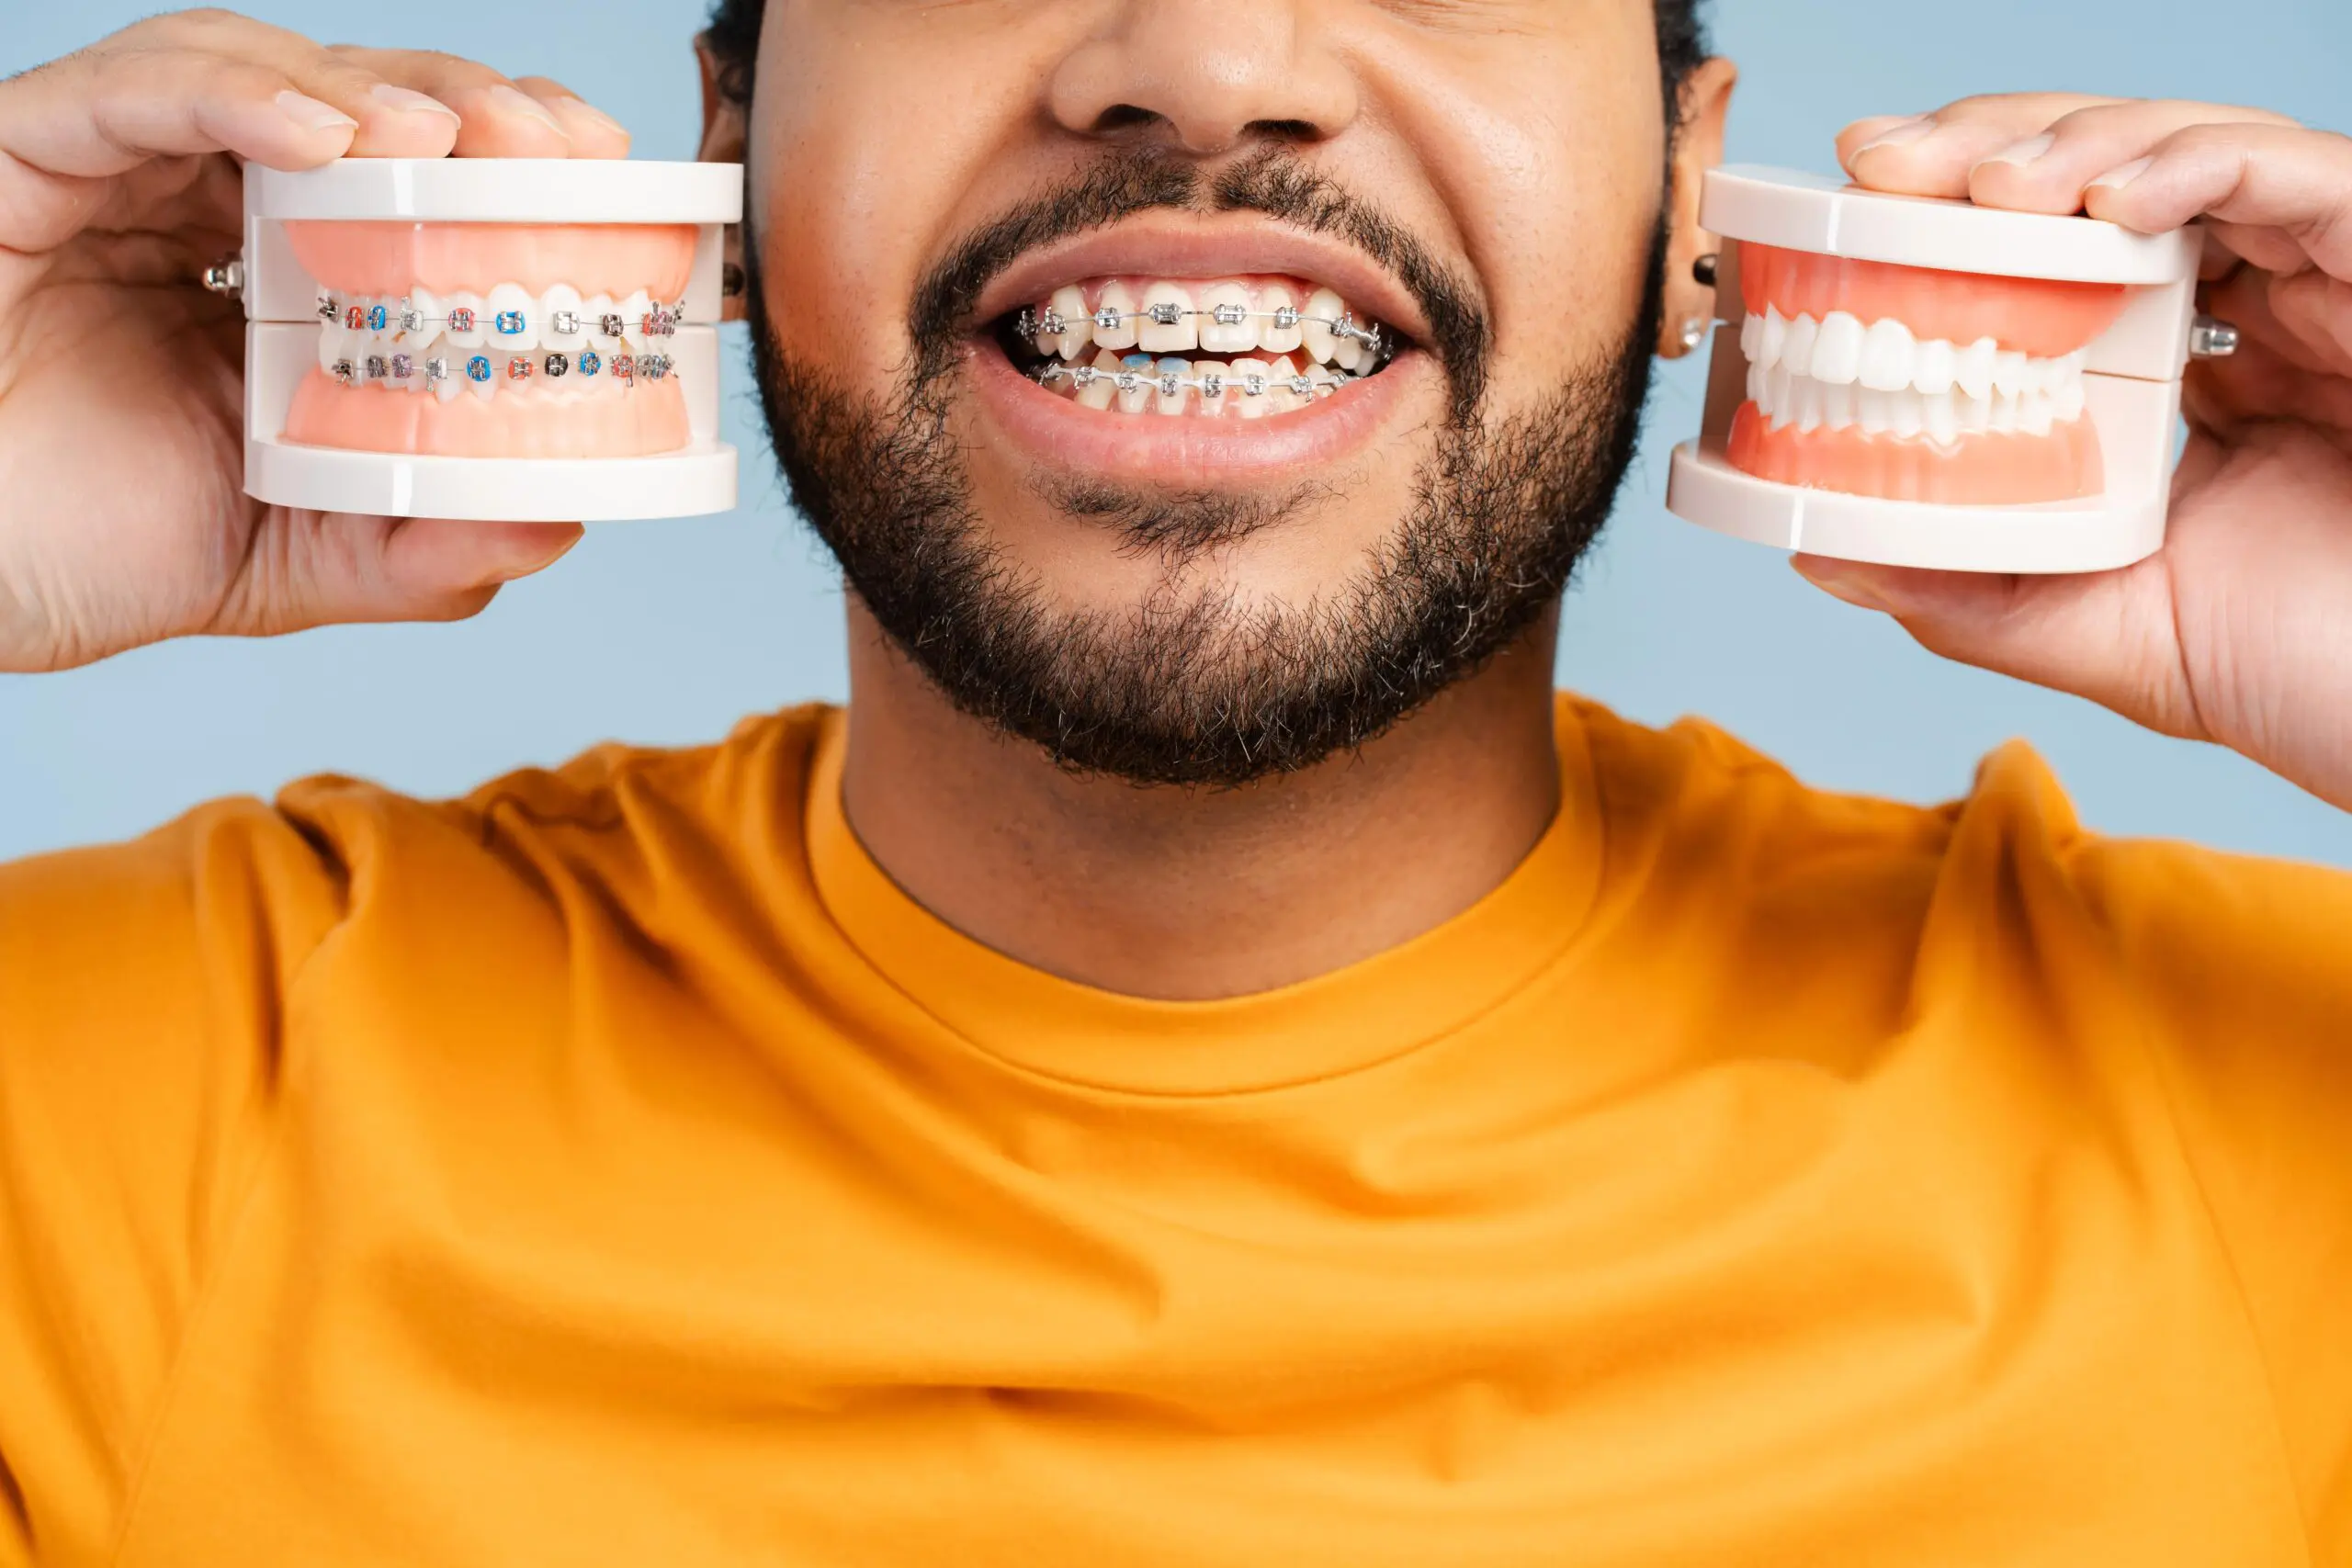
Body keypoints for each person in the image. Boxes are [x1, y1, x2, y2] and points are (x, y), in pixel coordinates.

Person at [1, 1, 2346, 1560]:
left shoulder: (2266, 1128)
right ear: (727, 157)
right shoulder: (133, 1106)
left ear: (1686, 203)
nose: (1209, 64)